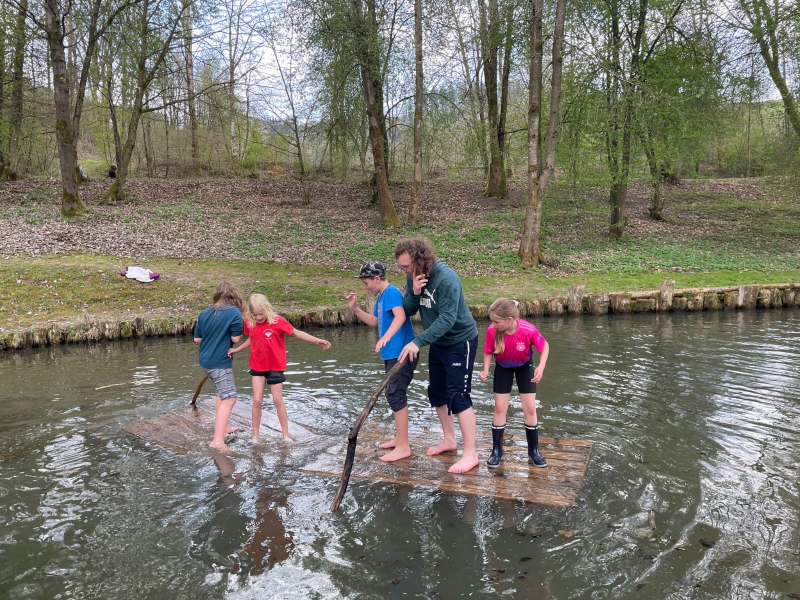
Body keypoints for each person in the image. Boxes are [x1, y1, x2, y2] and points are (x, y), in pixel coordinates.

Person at [395, 237, 480, 474]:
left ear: (420, 259)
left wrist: (417, 342)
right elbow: (409, 309)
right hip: (438, 341)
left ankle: (471, 453)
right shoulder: (413, 275)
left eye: (406, 266)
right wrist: (414, 292)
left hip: (460, 341)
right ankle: (449, 440)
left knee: (458, 396)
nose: (404, 271)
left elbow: (447, 319)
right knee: (437, 392)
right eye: (401, 267)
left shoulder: (446, 278)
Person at [229, 293, 331, 442]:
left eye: (261, 314)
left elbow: (296, 333)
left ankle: (286, 435)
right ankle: (255, 436)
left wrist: (317, 340)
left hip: (275, 366)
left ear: (267, 309)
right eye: (255, 315)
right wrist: (237, 349)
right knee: (257, 400)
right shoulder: (249, 322)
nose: (258, 317)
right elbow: (253, 338)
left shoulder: (278, 321)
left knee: (277, 400)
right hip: (257, 365)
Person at [346, 260, 418, 462]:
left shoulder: (392, 292)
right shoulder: (382, 297)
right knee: (393, 393)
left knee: (395, 393)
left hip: (402, 352)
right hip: (391, 354)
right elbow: (374, 322)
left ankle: (404, 446)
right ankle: (400, 438)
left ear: (377, 279)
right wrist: (355, 308)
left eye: (366, 282)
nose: (365, 287)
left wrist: (386, 337)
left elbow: (400, 316)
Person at [479, 298, 549, 468]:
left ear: (509, 320)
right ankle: (497, 451)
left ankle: (534, 451)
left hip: (525, 367)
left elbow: (544, 346)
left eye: (496, 322)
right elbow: (488, 350)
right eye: (492, 321)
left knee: (530, 408)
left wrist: (541, 367)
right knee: (500, 407)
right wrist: (486, 369)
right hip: (503, 367)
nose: (493, 324)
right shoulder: (492, 331)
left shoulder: (527, 329)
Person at [194, 281, 245, 453]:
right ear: (234, 296)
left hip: (205, 360)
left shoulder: (203, 313)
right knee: (230, 398)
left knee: (222, 394)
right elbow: (236, 339)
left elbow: (197, 339)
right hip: (219, 362)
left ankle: (224, 428)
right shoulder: (234, 312)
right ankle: (217, 441)